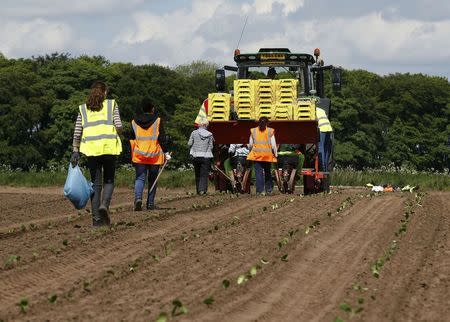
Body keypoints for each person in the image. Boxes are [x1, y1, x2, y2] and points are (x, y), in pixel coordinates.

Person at [71, 81, 122, 227]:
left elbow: (77, 132)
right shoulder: (111, 105)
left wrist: (75, 150)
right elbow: (118, 125)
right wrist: (119, 133)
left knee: (95, 184)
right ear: (105, 92)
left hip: (91, 150)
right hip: (109, 148)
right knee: (109, 180)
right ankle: (104, 205)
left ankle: (96, 220)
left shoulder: (83, 108)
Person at [130, 98, 170, 211]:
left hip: (139, 155)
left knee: (140, 178)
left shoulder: (133, 122)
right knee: (153, 180)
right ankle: (150, 204)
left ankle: (138, 199)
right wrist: (166, 152)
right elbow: (162, 138)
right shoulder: (158, 121)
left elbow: (131, 138)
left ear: (142, 109)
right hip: (154, 156)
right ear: (152, 109)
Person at [247, 117, 277, 195]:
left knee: (258, 173)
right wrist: (275, 154)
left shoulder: (253, 131)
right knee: (267, 172)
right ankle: (269, 189)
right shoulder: (270, 131)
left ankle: (260, 191)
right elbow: (273, 145)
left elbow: (250, 145)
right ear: (267, 123)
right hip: (267, 156)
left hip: (257, 155)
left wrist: (250, 152)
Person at [188, 120, 214, 194]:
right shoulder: (210, 134)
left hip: (196, 156)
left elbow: (189, 143)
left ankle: (198, 190)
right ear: (206, 125)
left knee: (197, 173)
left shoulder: (194, 133)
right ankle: (202, 190)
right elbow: (211, 146)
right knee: (204, 174)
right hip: (206, 156)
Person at [316, 106, 333, 171]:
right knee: (326, 149)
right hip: (329, 128)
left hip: (322, 129)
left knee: (320, 147)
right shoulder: (321, 109)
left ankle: (322, 167)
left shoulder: (312, 110)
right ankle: (325, 168)